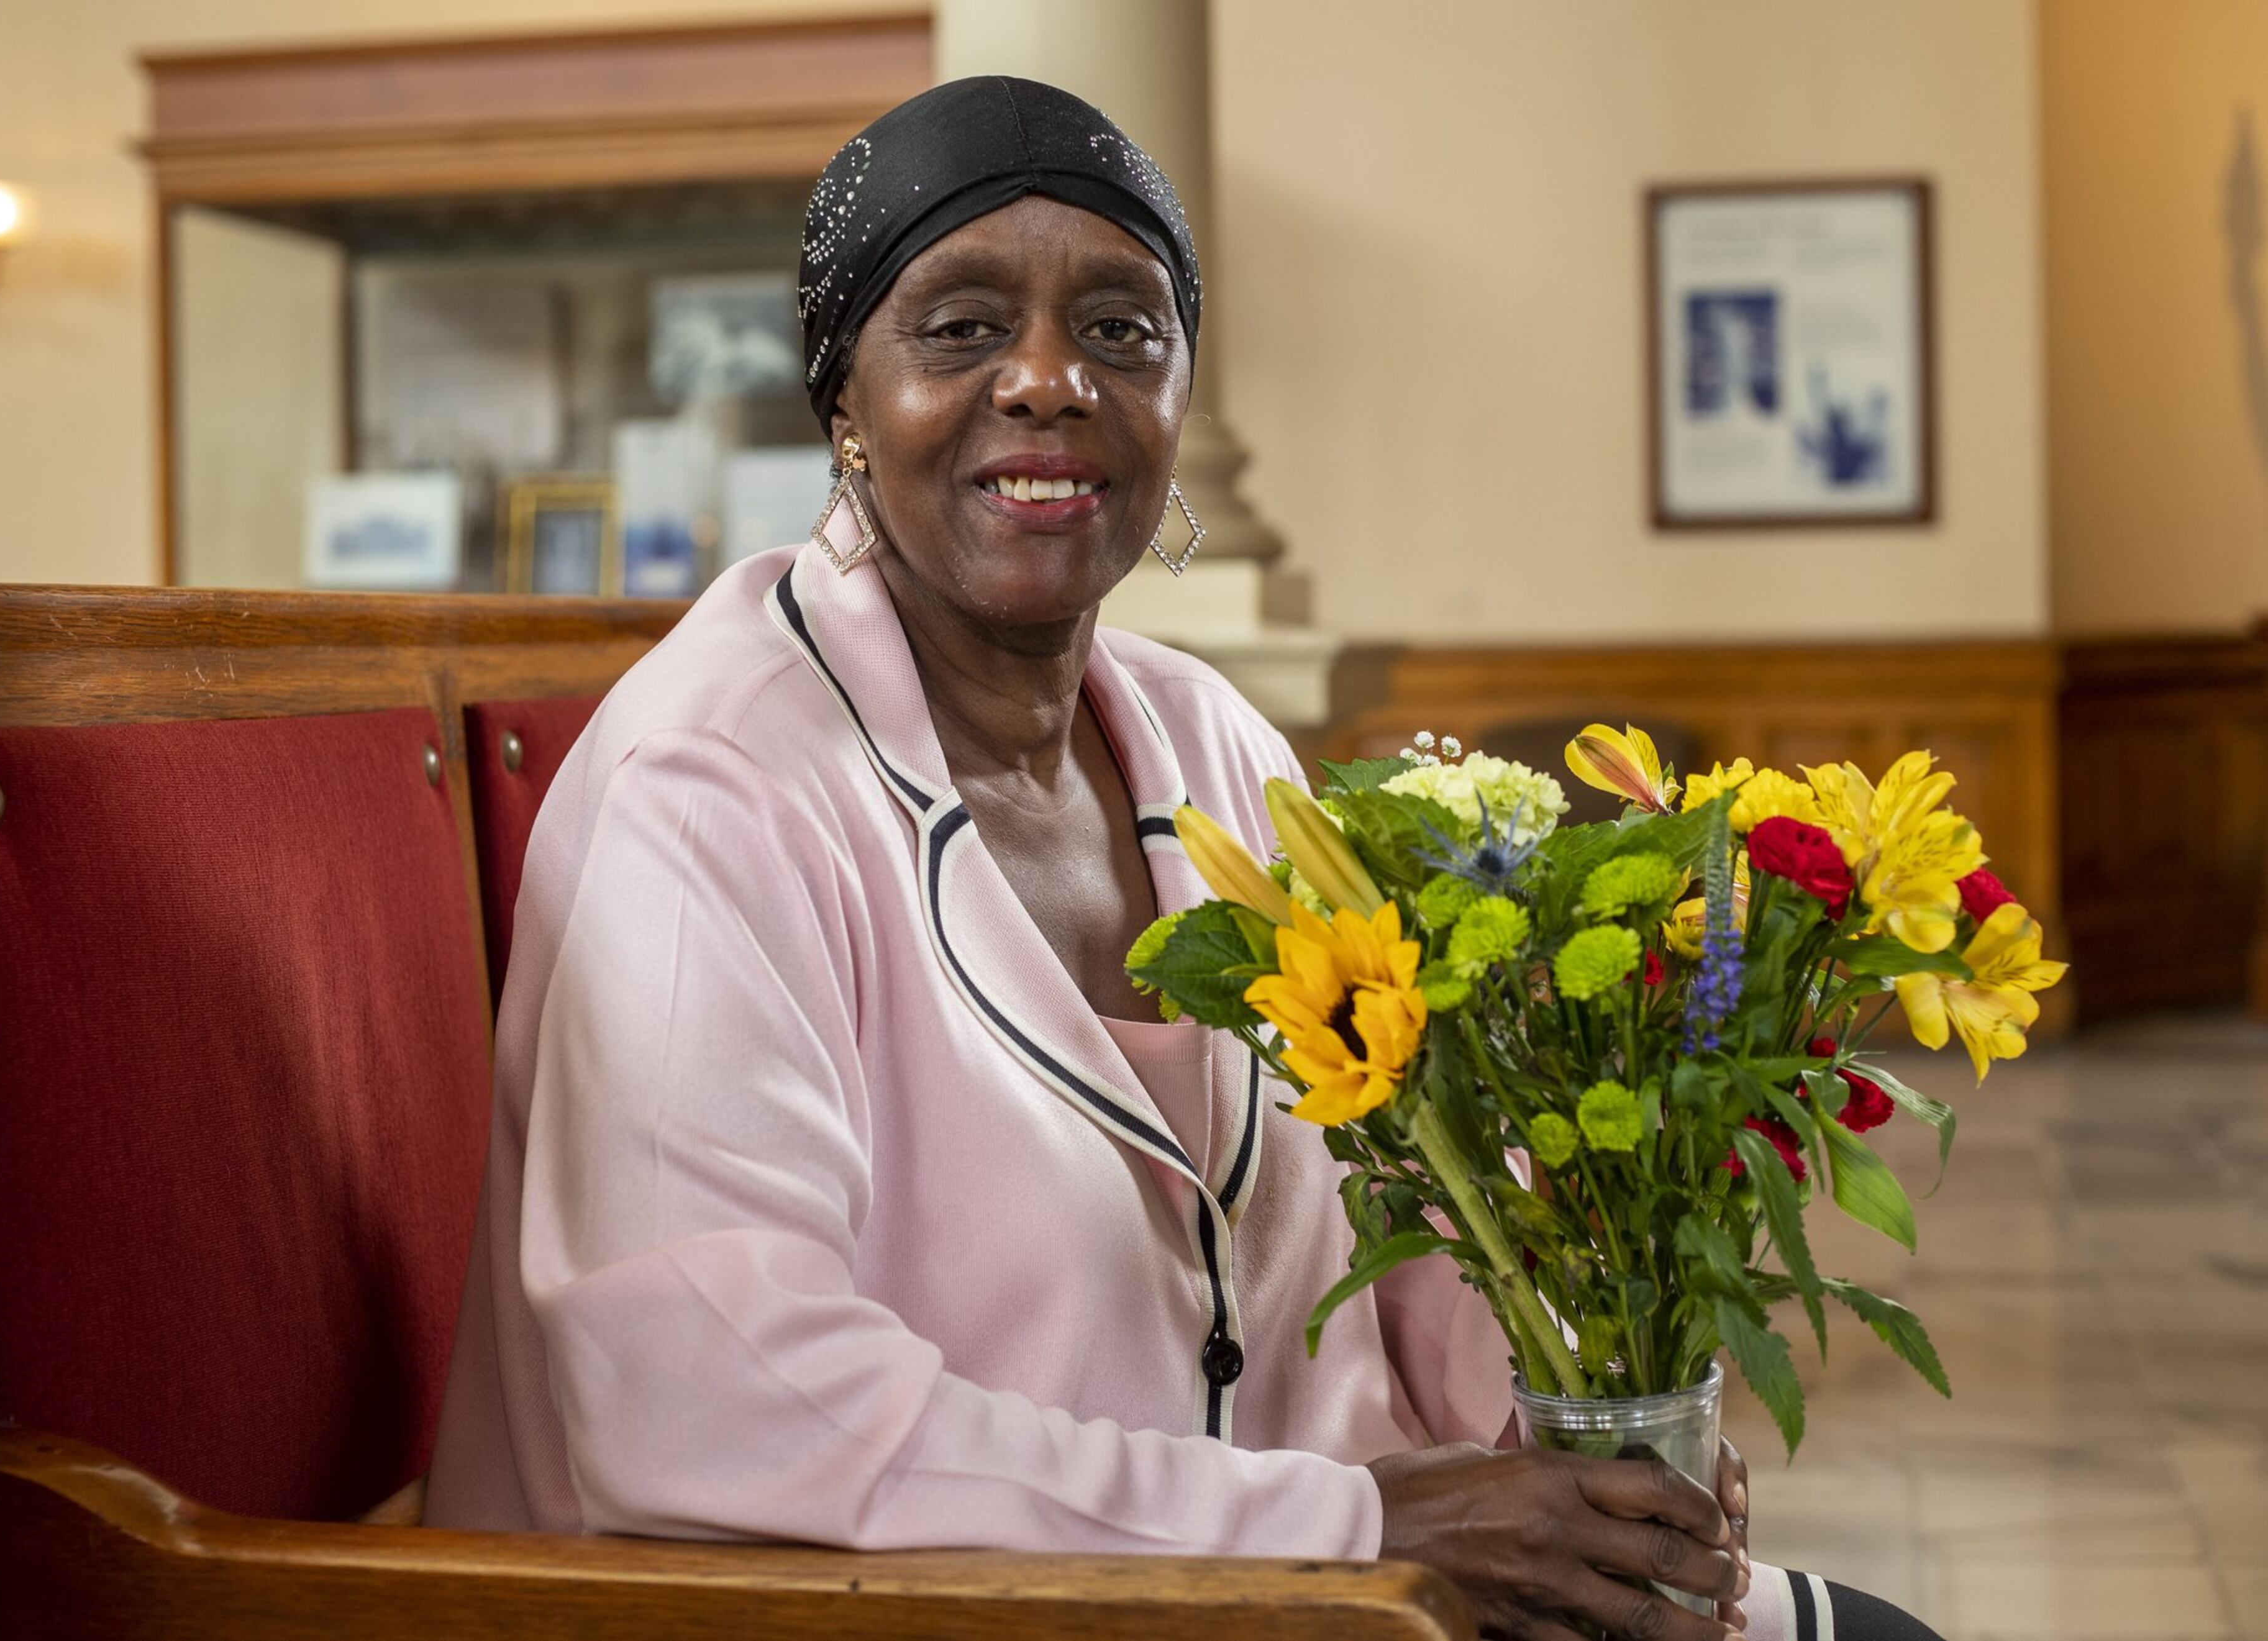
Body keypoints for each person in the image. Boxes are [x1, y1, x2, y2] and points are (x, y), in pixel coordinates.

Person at [426, 76, 1938, 1641]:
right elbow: (714, 1406)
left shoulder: (1212, 745)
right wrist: (1349, 1527)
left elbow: (1403, 1202)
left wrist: (1563, 1432)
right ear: (843, 411)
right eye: (957, 328)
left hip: (1305, 1579)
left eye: (1122, 329)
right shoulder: (715, 780)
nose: (1049, 381)